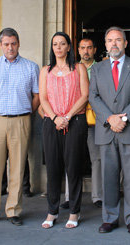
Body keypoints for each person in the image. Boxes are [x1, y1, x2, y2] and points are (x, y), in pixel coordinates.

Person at [89, 26, 130, 235]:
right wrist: (110, 118)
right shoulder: (97, 69)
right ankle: (110, 218)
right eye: (110, 40)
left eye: (118, 40)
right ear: (105, 45)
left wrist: (123, 118)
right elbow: (93, 97)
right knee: (109, 176)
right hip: (106, 130)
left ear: (125, 43)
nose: (113, 44)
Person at [0, 28, 39, 226]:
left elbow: (37, 95)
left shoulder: (31, 67)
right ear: (1, 45)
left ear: (18, 43)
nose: (10, 47)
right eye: (6, 44)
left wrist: (26, 111)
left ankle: (13, 210)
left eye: (13, 43)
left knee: (18, 166)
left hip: (21, 120)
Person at [39, 32, 89, 229]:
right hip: (51, 123)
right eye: (55, 44)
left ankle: (74, 212)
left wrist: (67, 117)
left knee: (74, 168)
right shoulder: (45, 71)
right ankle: (52, 211)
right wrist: (55, 118)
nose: (58, 47)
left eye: (62, 44)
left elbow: (85, 95)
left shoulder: (79, 68)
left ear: (69, 47)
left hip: (75, 121)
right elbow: (43, 98)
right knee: (53, 169)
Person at [78, 37, 103, 208]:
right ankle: (70, 197)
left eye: (89, 47)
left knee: (97, 158)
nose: (86, 51)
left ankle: (98, 196)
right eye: (82, 48)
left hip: (96, 120)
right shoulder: (72, 68)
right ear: (78, 50)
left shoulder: (102, 69)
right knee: (72, 159)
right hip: (75, 118)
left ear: (94, 50)